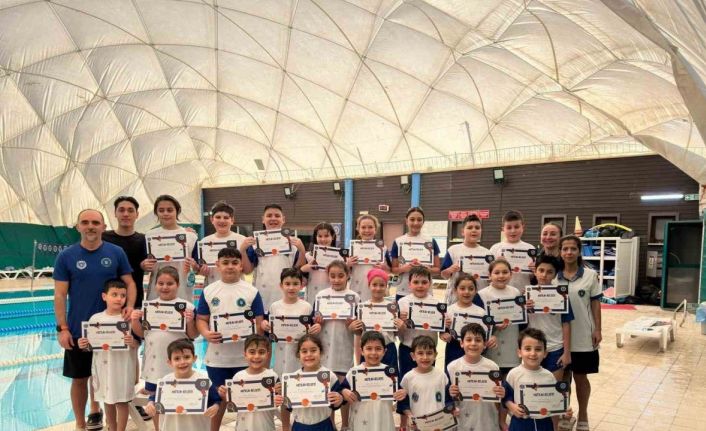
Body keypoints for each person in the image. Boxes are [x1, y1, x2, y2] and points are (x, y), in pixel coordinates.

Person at [53, 209, 136, 431]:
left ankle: (105, 419)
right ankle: (80, 424)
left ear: (103, 227)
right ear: (78, 226)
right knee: (79, 378)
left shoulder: (116, 252)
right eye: (85, 222)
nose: (90, 226)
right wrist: (62, 328)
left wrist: (129, 306)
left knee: (108, 377)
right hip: (79, 329)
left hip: (112, 330)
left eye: (95, 222)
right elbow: (60, 295)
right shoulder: (66, 256)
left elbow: (129, 282)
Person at [196, 247, 265, 430]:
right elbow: (201, 319)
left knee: (247, 401)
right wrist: (206, 333)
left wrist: (252, 337)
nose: (230, 266)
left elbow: (259, 324)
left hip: (245, 359)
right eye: (225, 263)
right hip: (217, 359)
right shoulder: (209, 291)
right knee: (217, 402)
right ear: (217, 265)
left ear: (241, 265)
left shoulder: (251, 291)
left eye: (235, 263)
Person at [130, 266, 198, 430]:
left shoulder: (187, 307)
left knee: (178, 400)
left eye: (169, 283)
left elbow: (193, 335)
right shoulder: (148, 307)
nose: (165, 287)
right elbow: (142, 334)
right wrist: (134, 321)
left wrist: (190, 321)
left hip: (178, 365)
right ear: (155, 285)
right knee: (155, 405)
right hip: (154, 366)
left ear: (177, 284)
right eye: (161, 283)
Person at [263, 268, 322, 431]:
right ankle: (285, 427)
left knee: (300, 391)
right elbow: (268, 332)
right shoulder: (274, 307)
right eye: (287, 284)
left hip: (301, 360)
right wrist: (264, 325)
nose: (291, 287)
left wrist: (317, 327)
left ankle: (301, 423)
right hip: (281, 358)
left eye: (295, 284)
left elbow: (312, 332)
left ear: (302, 285)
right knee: (283, 394)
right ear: (281, 285)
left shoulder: (306, 307)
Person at [77, 280, 138, 431]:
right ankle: (112, 427)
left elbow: (138, 344)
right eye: (114, 294)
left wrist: (132, 342)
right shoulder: (95, 319)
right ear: (104, 296)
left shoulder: (128, 319)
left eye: (122, 295)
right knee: (107, 400)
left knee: (122, 401)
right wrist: (83, 344)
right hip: (103, 368)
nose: (119, 299)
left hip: (123, 368)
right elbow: (89, 346)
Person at [478, 258, 530, 430]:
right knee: (493, 387)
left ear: (511, 274)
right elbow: (478, 323)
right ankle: (493, 420)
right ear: (489, 275)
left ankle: (502, 420)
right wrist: (493, 328)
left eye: (505, 272)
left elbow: (523, 322)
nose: (501, 276)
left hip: (511, 346)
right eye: (497, 272)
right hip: (491, 348)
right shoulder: (482, 295)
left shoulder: (515, 293)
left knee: (507, 387)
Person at [558, 235, 601, 431]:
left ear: (579, 251)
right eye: (565, 249)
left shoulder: (590, 275)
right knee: (562, 377)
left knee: (581, 377)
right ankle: (565, 413)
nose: (569, 252)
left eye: (573, 249)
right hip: (558, 337)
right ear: (560, 252)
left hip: (583, 335)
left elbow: (595, 304)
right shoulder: (553, 276)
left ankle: (583, 413)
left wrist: (598, 329)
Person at [393, 266, 443, 429]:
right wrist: (400, 324)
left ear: (430, 283)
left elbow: (442, 330)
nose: (420, 285)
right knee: (405, 385)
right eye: (416, 282)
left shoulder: (437, 304)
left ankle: (425, 419)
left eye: (424, 282)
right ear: (409, 284)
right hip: (407, 349)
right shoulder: (402, 303)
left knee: (425, 384)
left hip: (428, 352)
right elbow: (395, 331)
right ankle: (403, 422)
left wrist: (446, 325)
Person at [314, 260, 361, 430]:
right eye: (332, 276)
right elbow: (314, 324)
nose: (336, 279)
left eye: (340, 275)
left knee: (344, 387)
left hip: (344, 347)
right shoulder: (321, 296)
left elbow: (359, 328)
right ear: (328, 276)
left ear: (348, 275)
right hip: (326, 348)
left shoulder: (354, 297)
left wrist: (353, 325)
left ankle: (345, 425)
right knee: (329, 389)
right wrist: (317, 323)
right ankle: (332, 424)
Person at [503, 328, 573, 431]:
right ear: (519, 352)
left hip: (544, 424)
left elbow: (554, 402)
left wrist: (564, 411)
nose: (533, 353)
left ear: (545, 353)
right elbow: (505, 397)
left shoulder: (549, 376)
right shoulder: (513, 374)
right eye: (528, 349)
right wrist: (511, 406)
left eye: (538, 349)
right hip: (520, 424)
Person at [240, 204, 306, 311]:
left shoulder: (293, 242)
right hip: (263, 294)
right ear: (263, 219)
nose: (273, 218)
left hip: (287, 293)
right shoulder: (255, 243)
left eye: (277, 216)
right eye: (269, 215)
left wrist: (302, 250)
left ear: (283, 219)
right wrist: (242, 250)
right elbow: (247, 271)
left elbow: (298, 268)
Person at [338, 331, 407, 431]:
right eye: (369, 348)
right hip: (360, 421)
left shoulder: (390, 372)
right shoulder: (354, 372)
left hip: (383, 420)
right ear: (362, 351)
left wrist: (402, 393)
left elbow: (400, 390)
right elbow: (341, 391)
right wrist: (344, 392)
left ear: (384, 351)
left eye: (378, 348)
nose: (373, 353)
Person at [144, 339, 219, 430]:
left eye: (187, 357)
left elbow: (216, 399)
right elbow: (154, 398)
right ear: (170, 362)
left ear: (194, 358)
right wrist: (150, 403)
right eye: (177, 358)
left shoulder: (203, 381)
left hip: (196, 427)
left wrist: (216, 406)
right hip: (171, 427)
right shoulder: (166, 381)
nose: (182, 362)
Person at [276, 334, 344, 431]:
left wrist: (339, 399)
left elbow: (335, 404)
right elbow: (289, 407)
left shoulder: (329, 376)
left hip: (324, 426)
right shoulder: (293, 379)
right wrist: (283, 395)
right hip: (300, 426)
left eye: (313, 350)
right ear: (298, 355)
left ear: (320, 352)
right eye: (304, 351)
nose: (309, 354)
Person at [217, 334, 281, 431]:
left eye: (261, 352)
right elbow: (232, 402)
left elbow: (278, 403)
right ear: (245, 354)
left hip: (266, 426)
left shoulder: (273, 376)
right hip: (243, 427)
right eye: (252, 352)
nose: (257, 356)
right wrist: (224, 395)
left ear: (268, 354)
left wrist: (279, 397)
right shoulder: (238, 377)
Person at [447, 323, 505, 431]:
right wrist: (450, 393)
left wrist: (500, 393)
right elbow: (446, 399)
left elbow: (498, 401)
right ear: (461, 343)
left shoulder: (492, 367)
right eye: (469, 340)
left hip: (486, 421)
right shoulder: (452, 367)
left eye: (478, 340)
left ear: (484, 344)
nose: (473, 343)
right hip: (462, 420)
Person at [144, 195, 199, 302]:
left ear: (177, 211)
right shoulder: (149, 236)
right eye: (161, 210)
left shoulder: (190, 236)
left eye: (169, 210)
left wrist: (194, 266)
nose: (165, 213)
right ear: (156, 213)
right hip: (157, 291)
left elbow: (198, 267)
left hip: (182, 289)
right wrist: (144, 264)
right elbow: (143, 263)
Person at [528, 254, 573, 381]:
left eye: (549, 272)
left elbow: (566, 324)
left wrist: (567, 352)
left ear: (555, 275)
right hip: (533, 348)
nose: (544, 275)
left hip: (555, 348)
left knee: (553, 388)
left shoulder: (562, 296)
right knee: (533, 386)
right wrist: (523, 308)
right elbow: (521, 324)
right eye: (541, 270)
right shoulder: (526, 295)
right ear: (535, 271)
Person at [398, 335, 457, 428]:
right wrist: (409, 415)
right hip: (418, 426)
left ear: (435, 355)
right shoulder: (408, 378)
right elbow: (403, 404)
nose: (425, 357)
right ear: (413, 356)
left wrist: (452, 409)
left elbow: (448, 400)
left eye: (429, 353)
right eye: (420, 353)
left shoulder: (441, 376)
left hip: (440, 425)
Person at [440, 274, 496, 368]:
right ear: (455, 290)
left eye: (471, 289)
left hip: (475, 354)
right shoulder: (448, 311)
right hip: (453, 352)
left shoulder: (482, 313)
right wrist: (443, 333)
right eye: (462, 288)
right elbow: (443, 332)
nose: (467, 292)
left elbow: (488, 334)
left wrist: (492, 338)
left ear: (475, 291)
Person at [103, 196, 147, 308]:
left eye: (130, 210)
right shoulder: (103, 238)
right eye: (121, 210)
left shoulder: (144, 240)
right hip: (105, 301)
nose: (126, 214)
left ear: (137, 214)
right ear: (115, 213)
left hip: (134, 302)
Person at [390, 207, 441, 301]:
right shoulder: (398, 241)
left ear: (423, 222)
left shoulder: (430, 241)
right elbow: (394, 269)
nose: (416, 223)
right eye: (412, 219)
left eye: (419, 220)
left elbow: (437, 269)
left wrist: (427, 269)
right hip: (404, 291)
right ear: (406, 221)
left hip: (425, 291)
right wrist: (404, 268)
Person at [440, 214, 492, 303]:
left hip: (480, 299)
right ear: (462, 232)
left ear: (481, 231)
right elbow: (444, 275)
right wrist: (450, 270)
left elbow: (491, 278)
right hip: (457, 301)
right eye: (470, 227)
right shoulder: (453, 250)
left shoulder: (488, 253)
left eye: (477, 228)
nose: (474, 230)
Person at [356, 268, 398, 368]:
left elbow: (396, 333)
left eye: (382, 285)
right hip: (368, 350)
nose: (378, 288)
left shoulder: (392, 307)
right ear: (369, 285)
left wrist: (401, 325)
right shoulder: (362, 307)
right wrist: (351, 327)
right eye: (374, 285)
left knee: (390, 377)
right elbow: (358, 333)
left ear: (386, 286)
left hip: (388, 348)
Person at [198, 201, 246, 286]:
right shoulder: (204, 242)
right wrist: (201, 271)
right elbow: (199, 268)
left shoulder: (242, 240)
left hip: (237, 287)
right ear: (212, 220)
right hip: (212, 287)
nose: (222, 220)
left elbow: (247, 269)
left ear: (232, 220)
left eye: (226, 217)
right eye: (218, 217)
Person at [489, 210, 536, 290]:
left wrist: (535, 271)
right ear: (503, 229)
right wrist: (497, 265)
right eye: (509, 227)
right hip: (499, 293)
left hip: (522, 292)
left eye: (516, 227)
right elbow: (489, 276)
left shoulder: (530, 249)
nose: (513, 231)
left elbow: (532, 277)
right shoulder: (495, 248)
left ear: (523, 227)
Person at [347, 214, 388, 303]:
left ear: (375, 229)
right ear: (358, 229)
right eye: (363, 227)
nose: (367, 230)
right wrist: (347, 265)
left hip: (376, 289)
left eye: (370, 227)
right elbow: (345, 273)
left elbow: (390, 270)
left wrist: (384, 267)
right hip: (356, 288)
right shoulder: (351, 249)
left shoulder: (383, 248)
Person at [301, 222, 340, 304]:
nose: (323, 239)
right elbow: (302, 280)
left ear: (333, 237)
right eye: (320, 236)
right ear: (315, 237)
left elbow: (346, 277)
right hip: (313, 295)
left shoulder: (340, 257)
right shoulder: (308, 256)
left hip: (333, 297)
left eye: (326, 236)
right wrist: (303, 269)